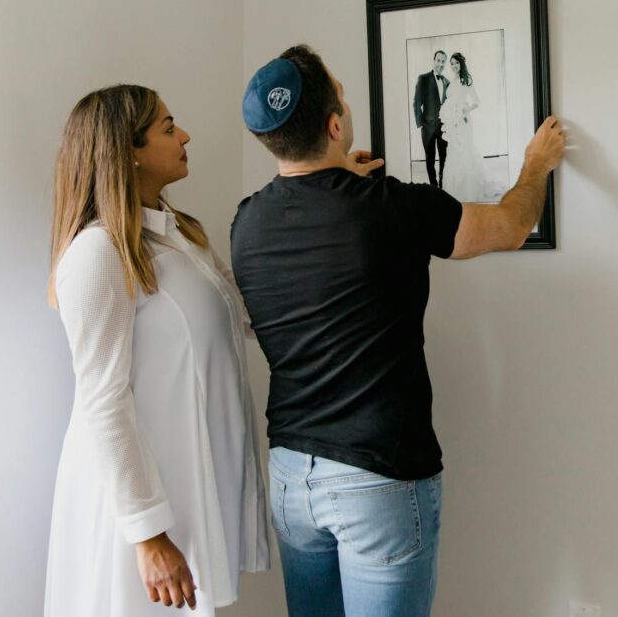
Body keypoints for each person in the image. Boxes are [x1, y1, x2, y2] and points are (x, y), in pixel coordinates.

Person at [230, 45, 564, 617]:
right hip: (375, 477)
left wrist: (339, 177)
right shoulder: (391, 208)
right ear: (336, 125)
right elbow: (510, 225)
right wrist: (537, 165)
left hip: (290, 476)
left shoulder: (246, 221)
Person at [44, 85, 269, 616]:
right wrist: (147, 534)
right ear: (129, 151)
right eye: (169, 128)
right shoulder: (98, 253)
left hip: (187, 488)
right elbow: (102, 400)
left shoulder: (182, 238)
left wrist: (327, 190)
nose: (185, 135)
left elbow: (250, 315)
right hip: (138, 508)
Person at [439, 52, 485, 202]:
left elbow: (477, 102)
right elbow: (450, 101)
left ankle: (467, 189)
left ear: (461, 64)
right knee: (453, 151)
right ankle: (454, 189)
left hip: (463, 120)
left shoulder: (466, 80)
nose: (454, 66)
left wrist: (464, 110)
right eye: (451, 63)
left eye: (456, 63)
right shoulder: (452, 81)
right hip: (453, 123)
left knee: (464, 150)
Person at [413, 50, 450, 187]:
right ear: (434, 61)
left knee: (444, 158)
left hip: (444, 128)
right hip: (427, 128)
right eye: (438, 60)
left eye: (443, 61)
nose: (440, 64)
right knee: (430, 159)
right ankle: (434, 187)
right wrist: (420, 124)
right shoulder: (423, 78)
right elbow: (416, 103)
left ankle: (442, 184)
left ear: (445, 63)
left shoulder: (447, 82)